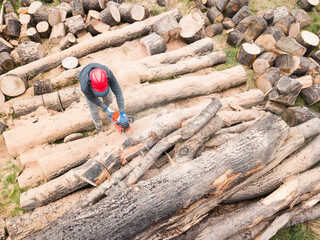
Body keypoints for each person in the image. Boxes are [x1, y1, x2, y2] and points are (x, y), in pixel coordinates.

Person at [79, 63, 129, 133]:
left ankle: (104, 108)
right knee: (94, 110)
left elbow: (118, 92)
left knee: (109, 100)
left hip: (103, 84)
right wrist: (105, 108)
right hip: (89, 89)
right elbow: (92, 99)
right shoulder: (85, 86)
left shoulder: (108, 74)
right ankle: (99, 129)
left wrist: (122, 112)